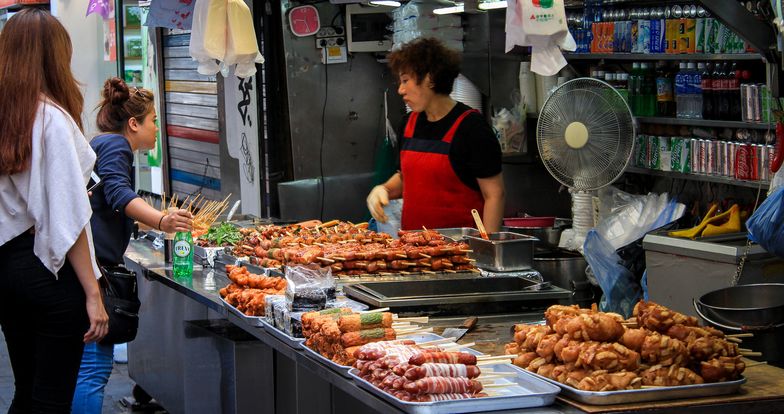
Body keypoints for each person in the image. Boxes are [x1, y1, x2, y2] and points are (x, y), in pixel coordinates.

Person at [0, 9, 109, 413]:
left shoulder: (6, 115)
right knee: (50, 400)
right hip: (48, 271)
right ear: (54, 57)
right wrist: (93, 294)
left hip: (7, 269)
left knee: (25, 392)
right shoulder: (50, 118)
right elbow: (69, 216)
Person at [72, 77, 193, 413]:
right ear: (134, 123)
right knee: (92, 370)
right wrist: (162, 220)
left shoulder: (104, 143)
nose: (156, 128)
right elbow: (119, 194)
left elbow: (109, 202)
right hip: (92, 273)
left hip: (86, 268)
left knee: (84, 369)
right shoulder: (115, 145)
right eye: (153, 120)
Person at [367, 38, 505, 232]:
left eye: (406, 80)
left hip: (462, 251)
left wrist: (489, 250)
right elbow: (408, 178)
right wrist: (385, 189)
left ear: (430, 78)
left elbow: (494, 195)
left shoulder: (472, 128)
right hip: (414, 248)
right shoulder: (408, 124)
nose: (400, 90)